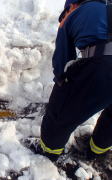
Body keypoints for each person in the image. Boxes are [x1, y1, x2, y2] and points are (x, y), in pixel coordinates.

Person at [30, 0, 112, 161]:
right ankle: (98, 150)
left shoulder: (73, 15)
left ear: (73, 5)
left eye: (65, 12)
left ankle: (48, 153)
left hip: (104, 66)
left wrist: (62, 86)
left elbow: (63, 59)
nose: (64, 17)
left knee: (59, 116)